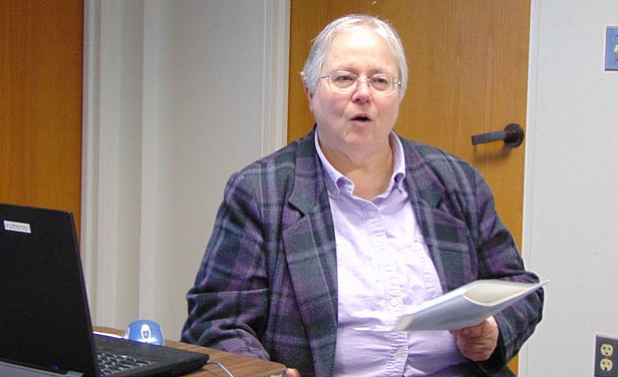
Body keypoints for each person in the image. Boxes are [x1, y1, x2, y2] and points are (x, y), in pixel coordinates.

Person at [181, 14, 543, 377]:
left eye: (381, 81)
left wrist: (494, 330)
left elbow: (519, 288)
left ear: (398, 95)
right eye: (344, 78)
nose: (363, 93)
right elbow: (216, 321)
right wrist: (266, 374)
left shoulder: (455, 180)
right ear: (310, 91)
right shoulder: (261, 192)